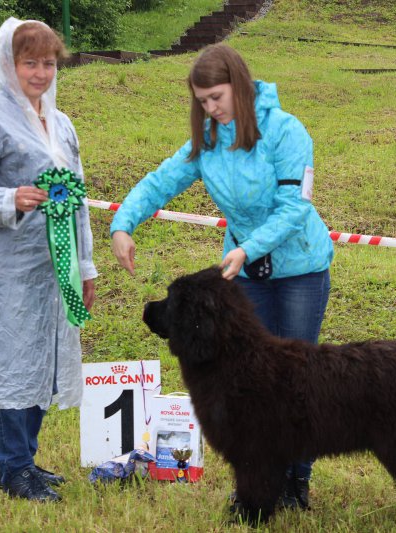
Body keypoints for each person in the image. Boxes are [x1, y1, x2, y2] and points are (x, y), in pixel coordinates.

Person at [110, 43, 334, 510]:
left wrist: (249, 247)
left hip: (299, 270)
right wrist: (122, 224)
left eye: (216, 97)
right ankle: (256, 484)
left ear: (240, 85)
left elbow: (295, 207)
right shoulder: (207, 141)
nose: (209, 109)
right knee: (247, 385)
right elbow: (160, 181)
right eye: (202, 101)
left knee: (297, 381)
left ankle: (296, 484)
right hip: (244, 272)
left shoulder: (287, 131)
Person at [0, 17, 97, 502]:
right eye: (30, 62)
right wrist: (11, 198)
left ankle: (17, 461)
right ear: (7, 64)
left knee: (47, 358)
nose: (40, 72)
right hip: (1, 263)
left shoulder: (63, 122)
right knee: (13, 358)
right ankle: (14, 469)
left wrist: (86, 267)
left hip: (55, 263)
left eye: (48, 63)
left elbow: (77, 199)